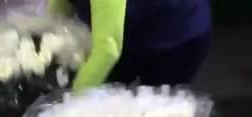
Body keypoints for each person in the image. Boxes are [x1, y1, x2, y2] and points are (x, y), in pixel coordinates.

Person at [48, 0, 212, 89]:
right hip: (128, 29)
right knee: (106, 96)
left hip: (176, 35)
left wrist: (71, 100)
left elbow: (108, 49)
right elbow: (59, 12)